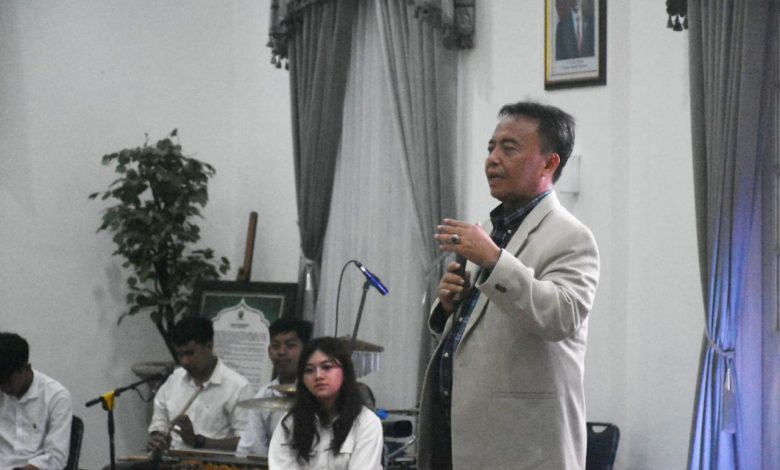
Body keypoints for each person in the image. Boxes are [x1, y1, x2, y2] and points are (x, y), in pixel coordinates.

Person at [417, 101, 600, 469]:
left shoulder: (571, 236)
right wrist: (448, 309)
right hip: (458, 439)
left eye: (509, 148)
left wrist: (494, 260)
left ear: (549, 163)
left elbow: (562, 317)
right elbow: (478, 337)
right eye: (491, 148)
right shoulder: (487, 230)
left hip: (523, 449)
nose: (492, 159)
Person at [268, 337, 383, 470]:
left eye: (327, 367)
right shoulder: (290, 422)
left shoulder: (366, 423)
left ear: (345, 372)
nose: (318, 376)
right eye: (309, 370)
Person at [148, 316, 254, 452]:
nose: (184, 361)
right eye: (180, 355)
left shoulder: (238, 387)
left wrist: (198, 441)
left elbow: (247, 442)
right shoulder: (173, 380)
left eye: (190, 353)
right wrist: (159, 439)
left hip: (214, 463)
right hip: (172, 460)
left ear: (209, 346)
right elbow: (158, 423)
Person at [236, 318, 313, 457]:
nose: (281, 352)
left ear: (307, 350)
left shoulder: (320, 391)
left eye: (290, 345)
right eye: (276, 346)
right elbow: (253, 450)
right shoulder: (263, 396)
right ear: (269, 351)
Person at [0, 332, 73, 470]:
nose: (3, 388)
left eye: (8, 381)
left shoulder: (57, 397)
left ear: (26, 368)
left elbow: (56, 457)